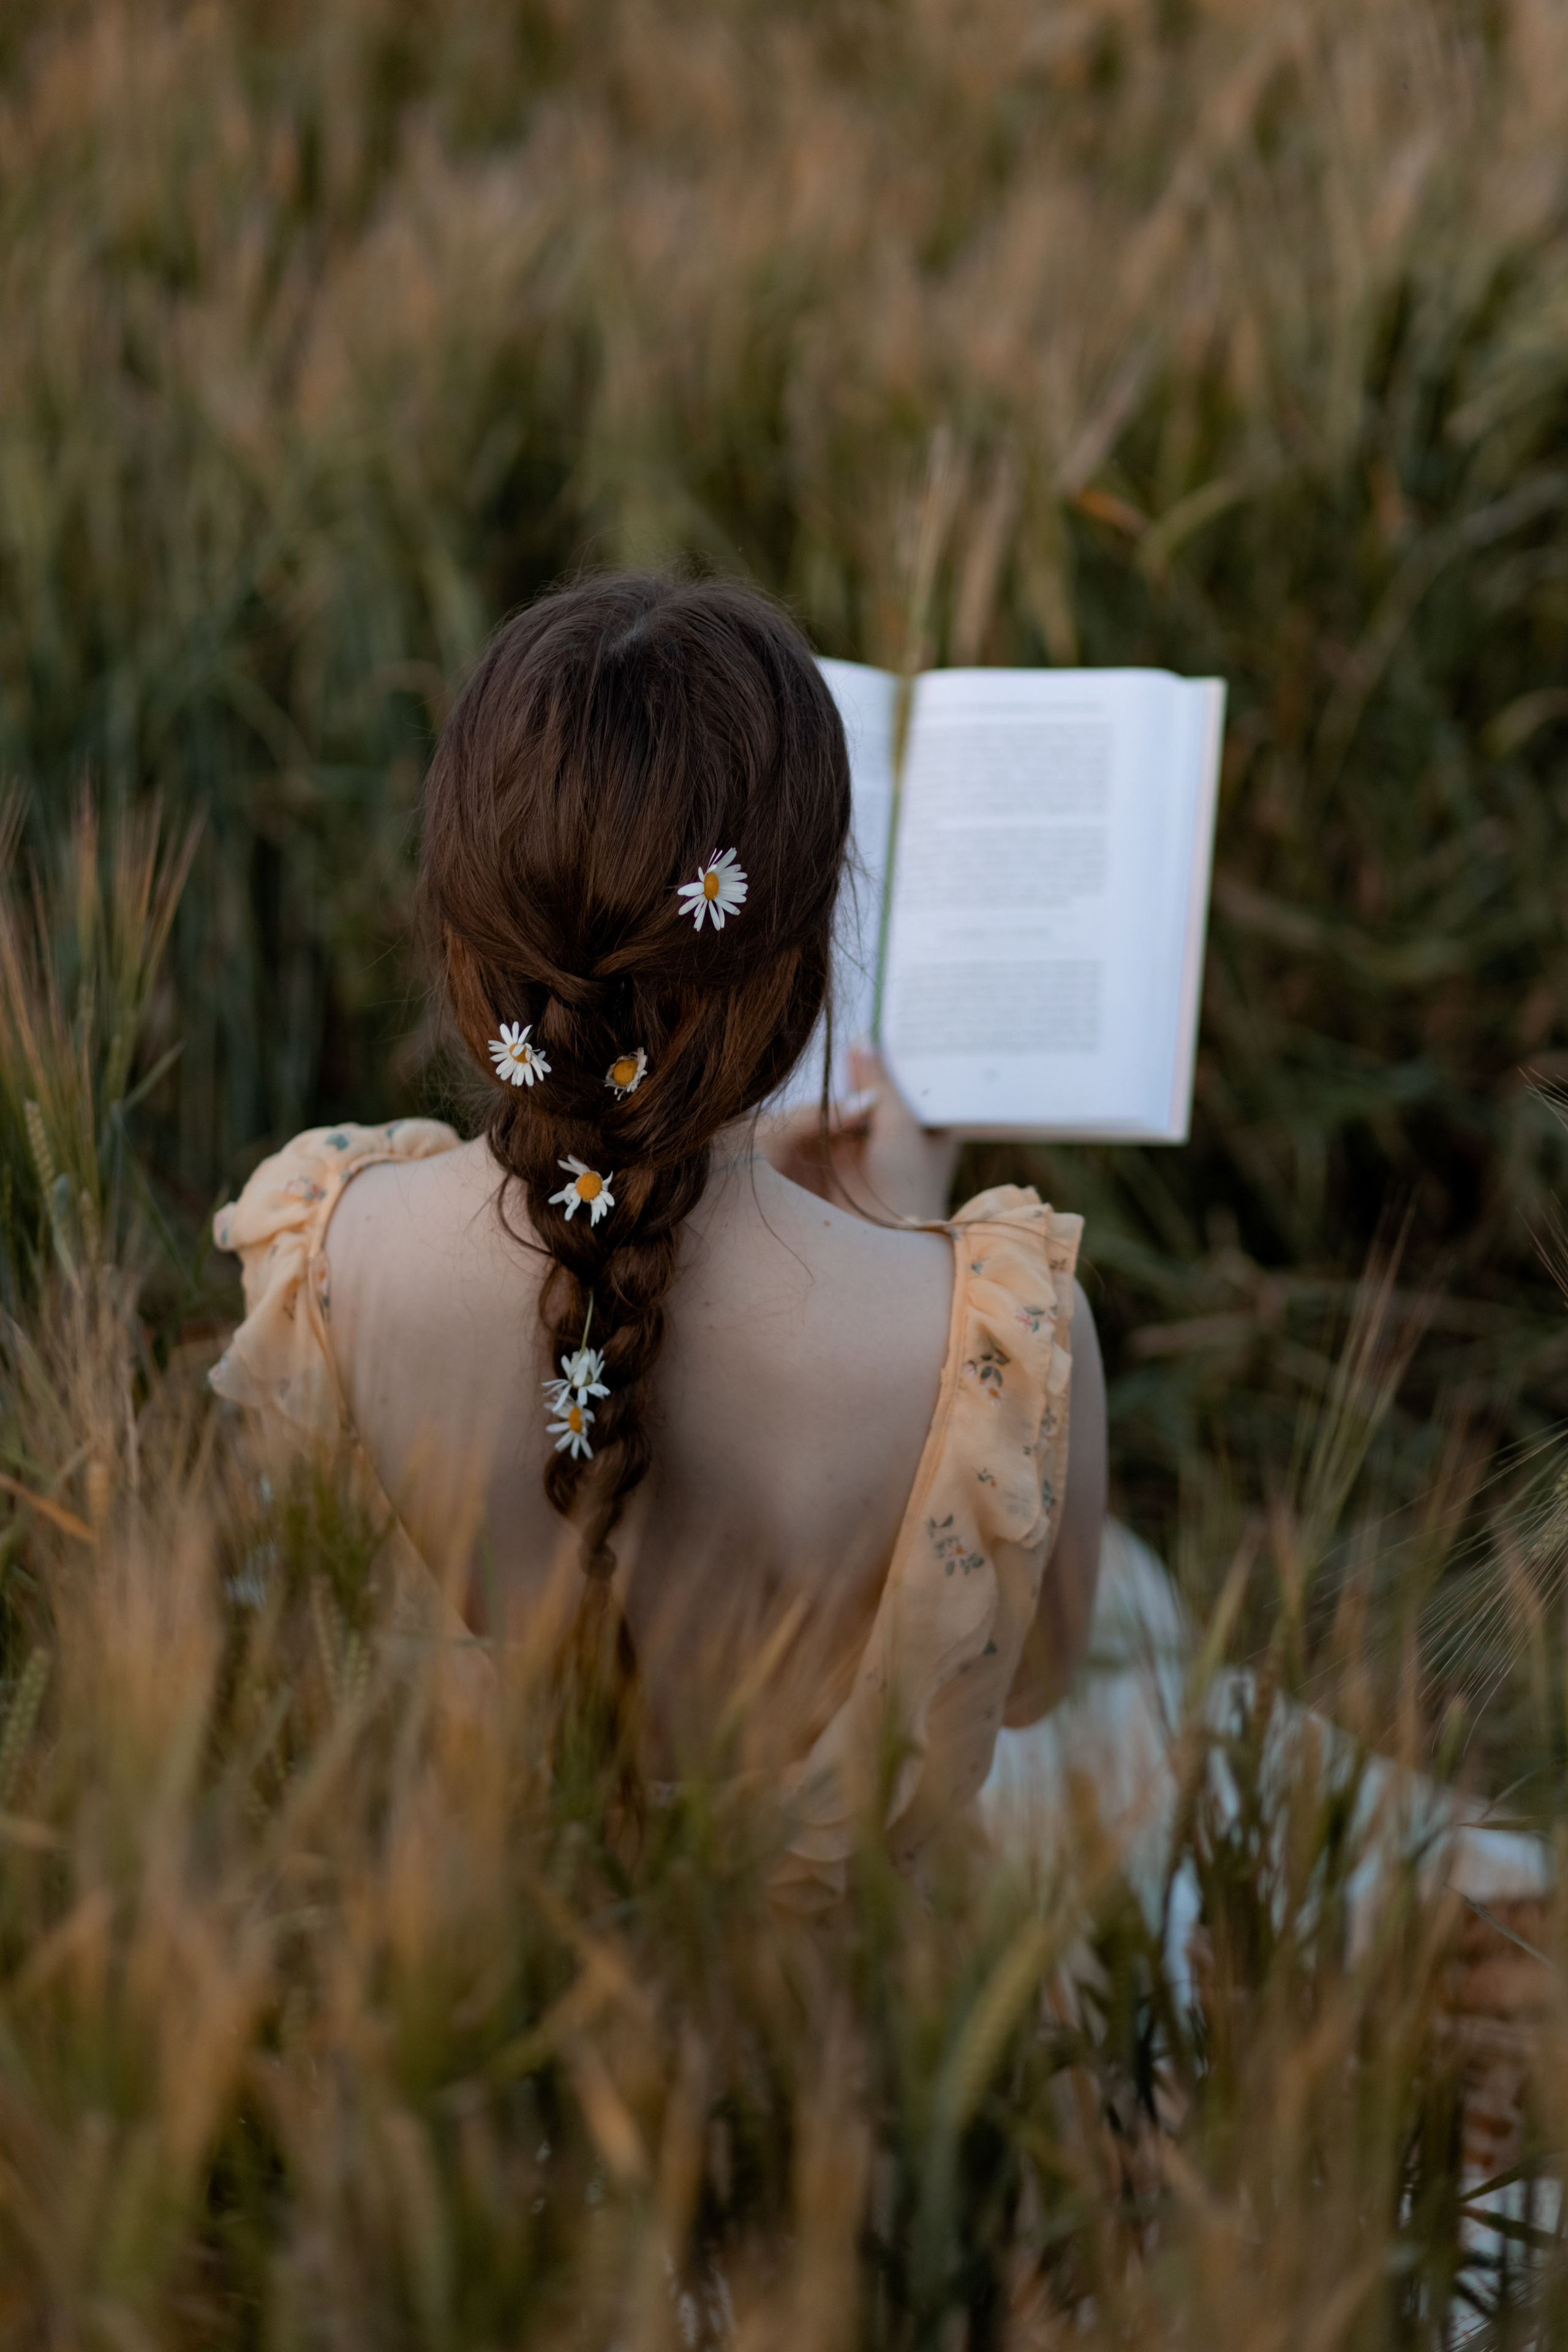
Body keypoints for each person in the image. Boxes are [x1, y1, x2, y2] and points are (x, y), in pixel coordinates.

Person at [210, 573, 1107, 1901]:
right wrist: (889, 1230)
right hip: (853, 2033)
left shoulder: (316, 1263)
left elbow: (297, 1656)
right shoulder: (1001, 1349)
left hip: (442, 2004)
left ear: (463, 941)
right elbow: (1025, 1693)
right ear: (804, 960)